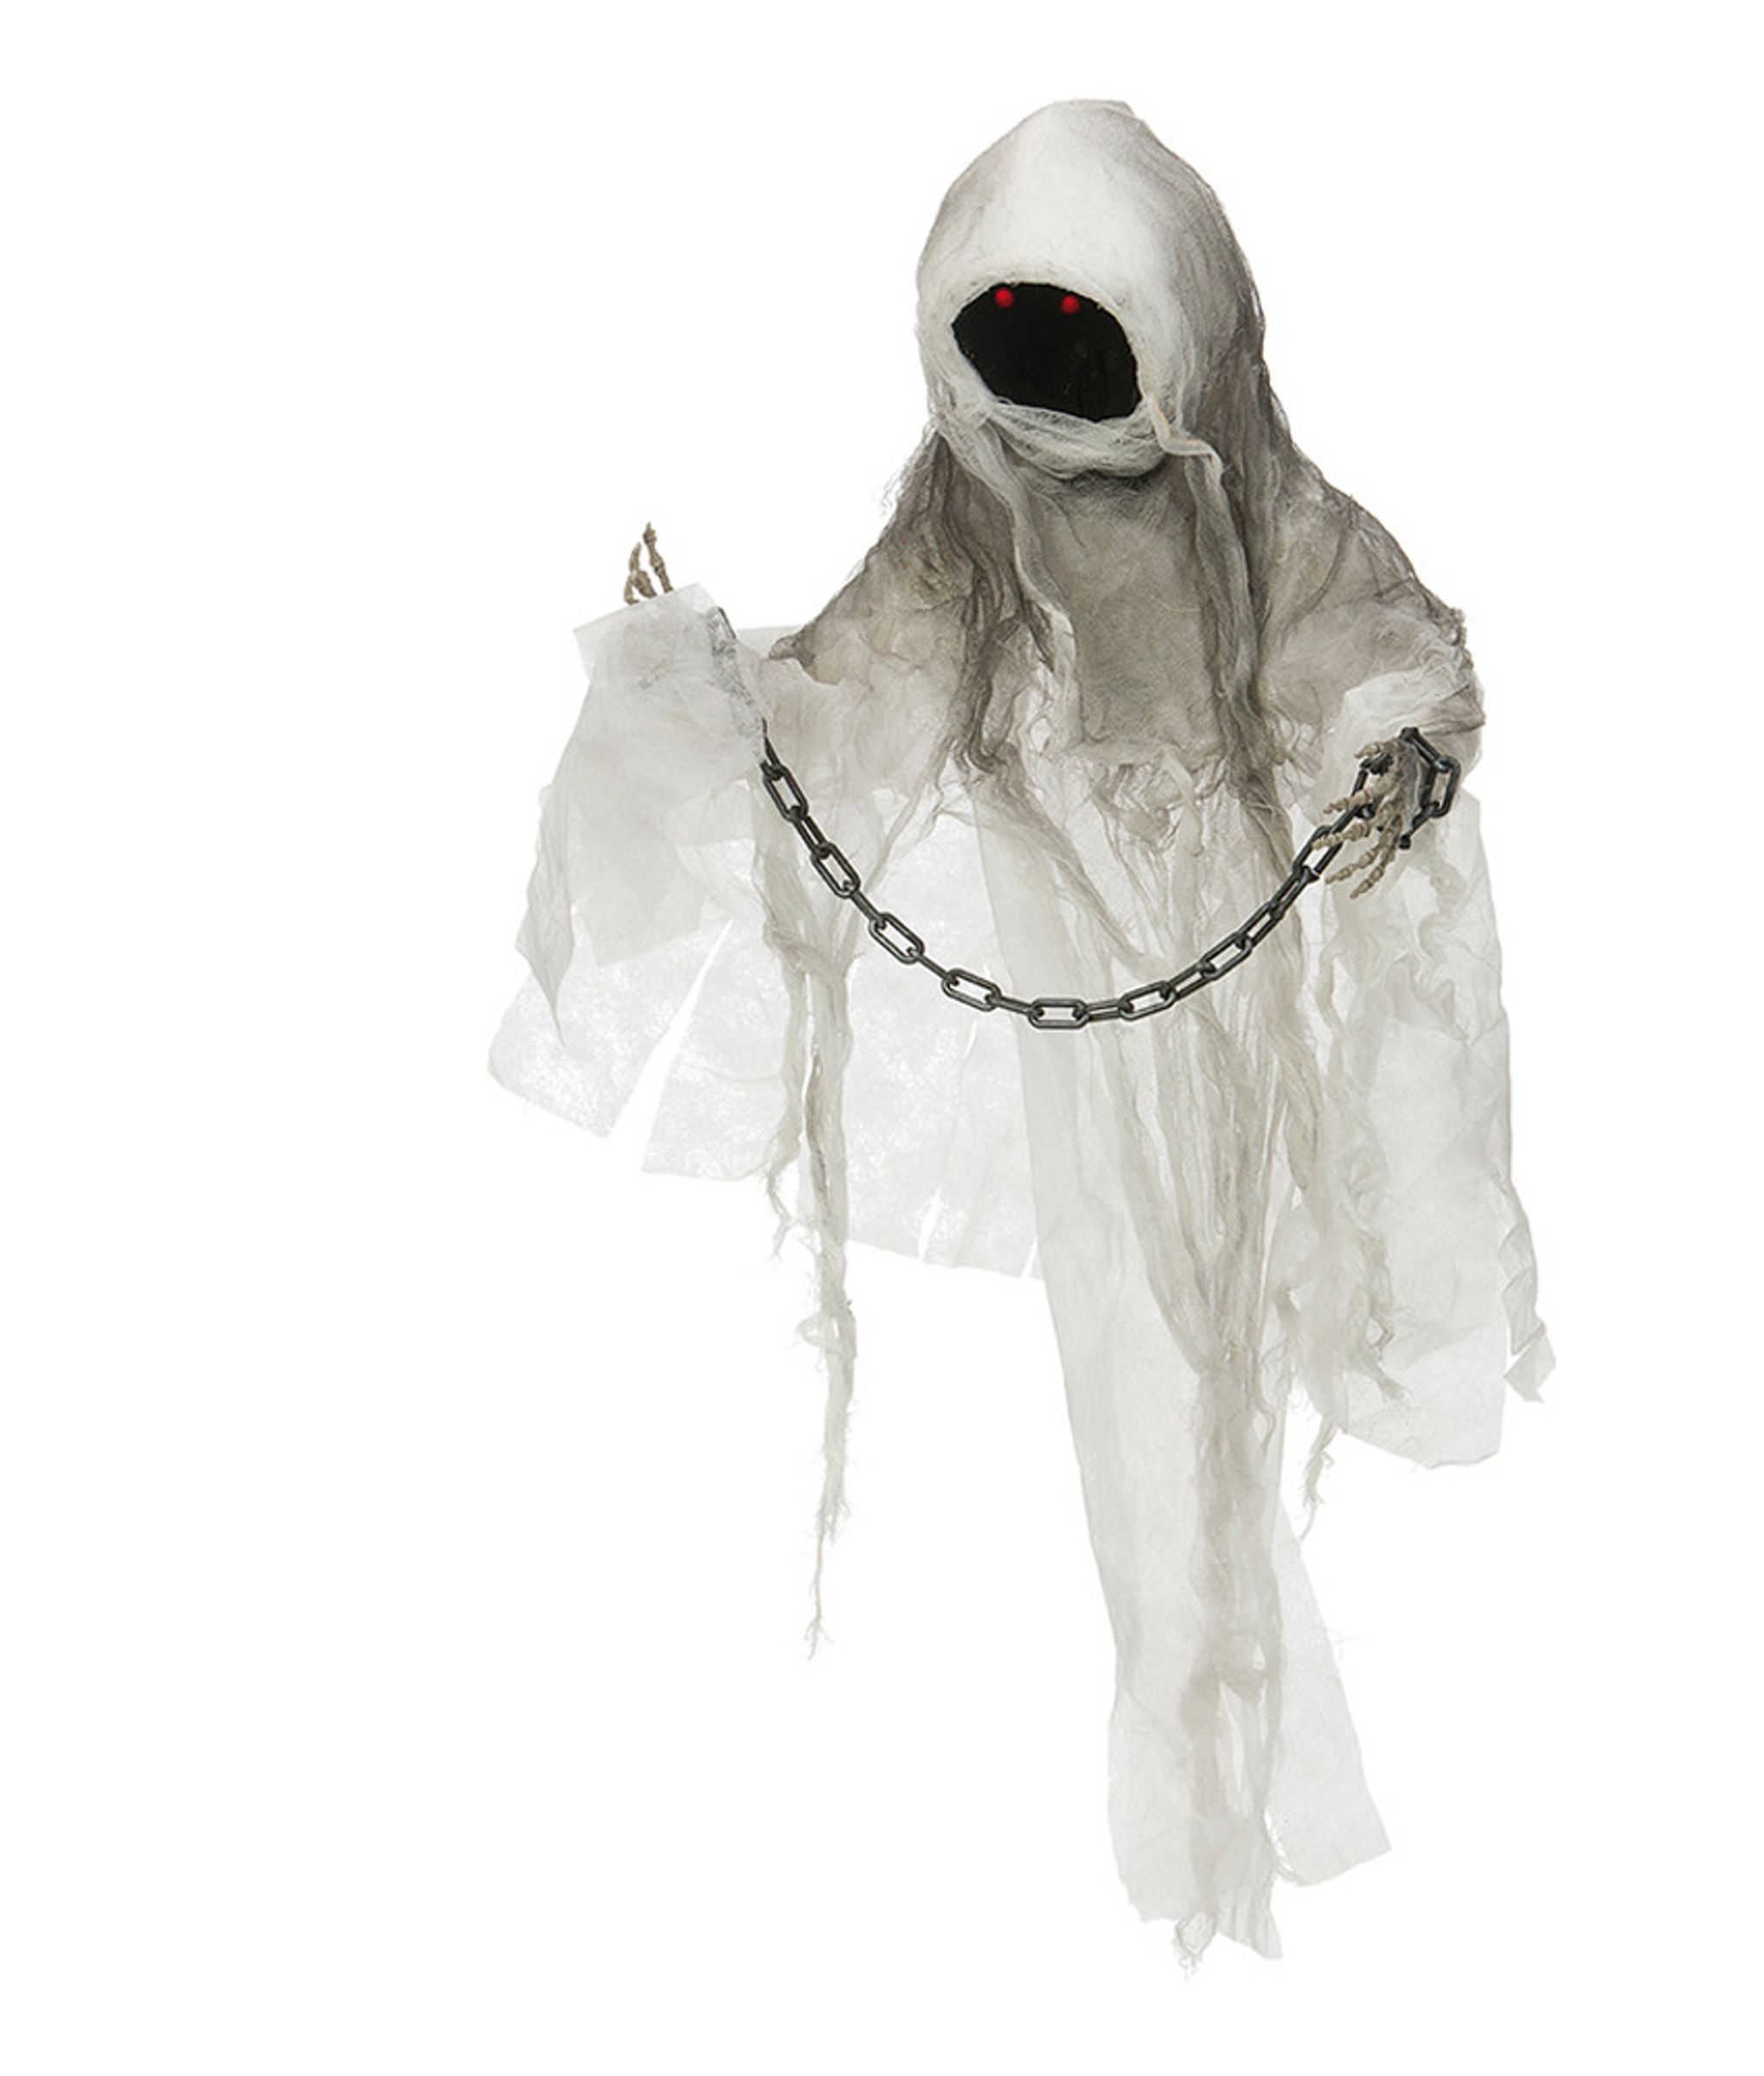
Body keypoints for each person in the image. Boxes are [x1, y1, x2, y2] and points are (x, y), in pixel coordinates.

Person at [492, 99, 1550, 1958]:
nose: (1051, 389)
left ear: (1181, 328)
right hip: (1078, 911)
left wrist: (1398, 753)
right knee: (1143, 1323)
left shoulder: (1267, 508)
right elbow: (854, 699)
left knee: (1240, 1294)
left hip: (1236, 905)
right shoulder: (962, 522)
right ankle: (1208, 1779)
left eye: (1088, 332)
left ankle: (1235, 1765)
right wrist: (708, 688)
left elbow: (1391, 653)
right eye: (1015, 335)